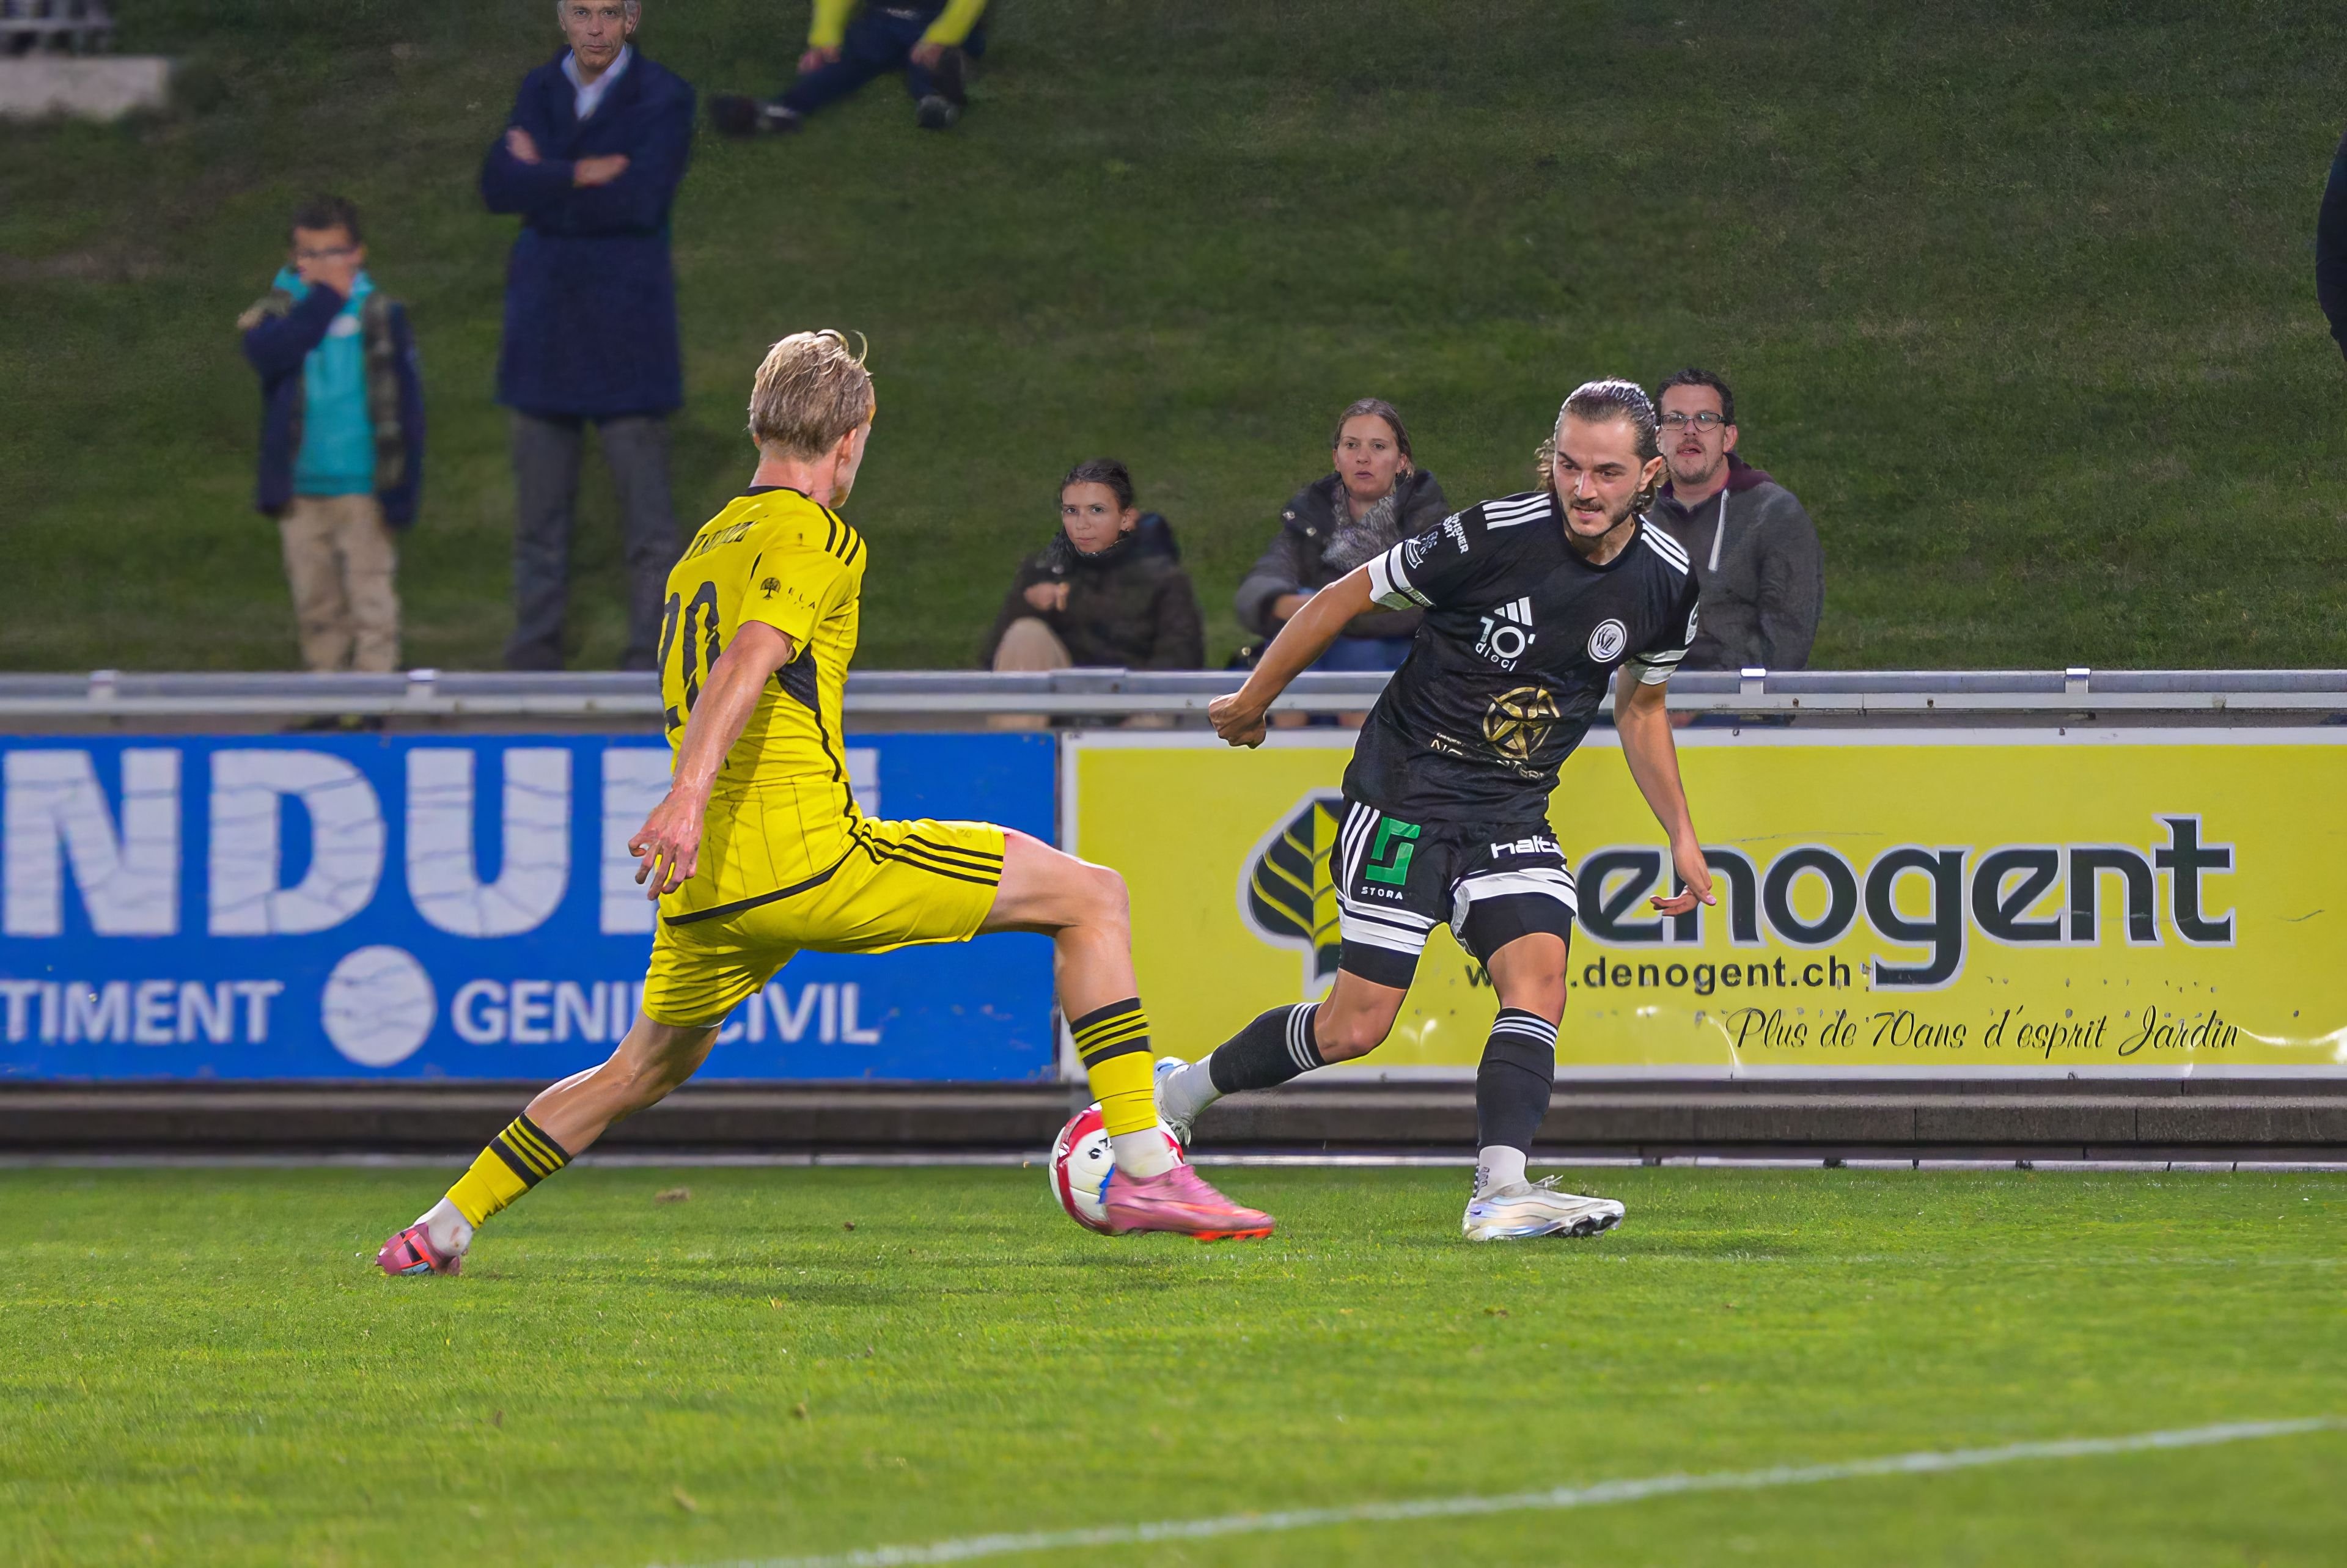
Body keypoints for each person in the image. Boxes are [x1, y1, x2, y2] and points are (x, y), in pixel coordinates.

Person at [376, 331, 1272, 1277]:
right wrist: (686, 793)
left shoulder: (705, 545)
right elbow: (753, 654)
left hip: (705, 884)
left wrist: (692, 805)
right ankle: (1141, 1162)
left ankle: (441, 1226)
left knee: (639, 1069)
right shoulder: (815, 534)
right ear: (851, 437)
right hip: (804, 856)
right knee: (1092, 896)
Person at [1155, 380, 1716, 1242]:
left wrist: (1681, 834)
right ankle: (1183, 1093)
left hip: (1513, 809)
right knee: (1356, 1027)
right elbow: (1342, 598)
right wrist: (1253, 699)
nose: (1584, 488)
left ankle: (1500, 1189)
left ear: (1649, 473)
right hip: (1407, 793)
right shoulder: (1491, 535)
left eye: (1607, 471)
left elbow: (1641, 706)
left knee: (1538, 981)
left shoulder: (1666, 583)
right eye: (1569, 465)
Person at [480, 0, 694, 672]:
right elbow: (495, 186)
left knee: (649, 522)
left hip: (627, 334)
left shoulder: (665, 96)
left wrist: (540, 175)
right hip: (545, 332)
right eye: (582, 12)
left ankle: (649, 655)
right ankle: (535, 649)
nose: (595, 28)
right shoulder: (538, 89)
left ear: (633, 18)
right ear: (562, 18)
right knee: (539, 519)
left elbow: (639, 199)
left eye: (609, 13)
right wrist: (578, 172)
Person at [238, 194, 425, 674]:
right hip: (301, 487)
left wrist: (403, 485)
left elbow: (407, 406)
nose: (323, 265)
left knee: (371, 599)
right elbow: (269, 355)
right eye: (310, 254)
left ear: (358, 253)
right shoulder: (278, 311)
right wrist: (323, 301)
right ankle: (325, 693)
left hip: (364, 485)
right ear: (294, 259)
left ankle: (374, 700)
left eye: (334, 253)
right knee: (315, 603)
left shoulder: (381, 313)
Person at [1234, 398, 1449, 673]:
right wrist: (1278, 601)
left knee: (1348, 645)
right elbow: (1267, 575)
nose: (1363, 457)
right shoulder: (1313, 511)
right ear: (1337, 458)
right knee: (1294, 633)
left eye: (1378, 447)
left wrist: (1336, 611)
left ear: (1401, 462)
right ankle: (1285, 713)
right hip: (1316, 639)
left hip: (1398, 652)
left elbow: (1423, 603)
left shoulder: (1427, 519)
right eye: (1351, 445)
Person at [1644, 368, 1823, 672]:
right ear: (1659, 439)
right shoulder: (1638, 518)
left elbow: (1786, 642)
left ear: (1728, 437)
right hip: (1639, 704)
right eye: (1675, 420)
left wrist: (1700, 701)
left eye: (1705, 419)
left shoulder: (1775, 515)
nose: (1690, 431)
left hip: (1741, 709)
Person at [981, 460, 1205, 673]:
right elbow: (994, 660)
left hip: (1137, 698)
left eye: (1096, 510)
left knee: (1157, 698)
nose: (1082, 524)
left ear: (1127, 518)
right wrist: (1031, 605)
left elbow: (1182, 659)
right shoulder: (1044, 572)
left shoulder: (1163, 580)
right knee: (1026, 634)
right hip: (1063, 700)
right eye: (1072, 511)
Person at [709, 0, 988, 137]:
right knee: (843, 60)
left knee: (928, 61)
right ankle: (782, 111)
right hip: (884, 20)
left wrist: (942, 37)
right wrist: (825, 38)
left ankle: (938, 97)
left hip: (939, 19)